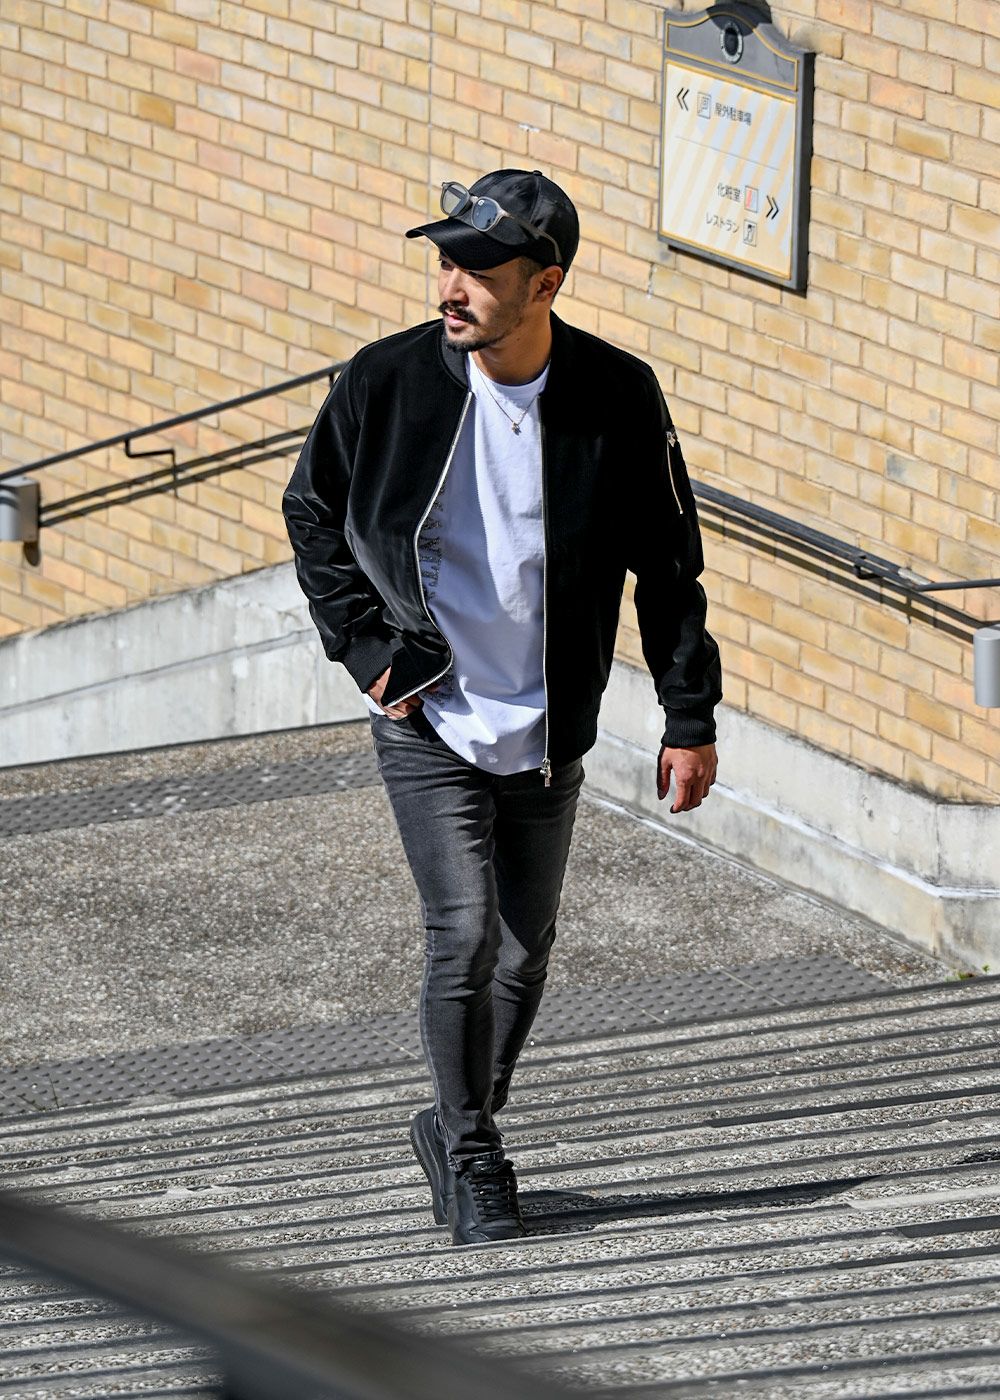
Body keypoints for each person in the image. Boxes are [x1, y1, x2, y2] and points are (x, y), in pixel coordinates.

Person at [282, 169, 722, 1247]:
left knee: (525, 953)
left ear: (545, 284)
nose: (452, 287)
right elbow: (312, 513)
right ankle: (476, 1154)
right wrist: (370, 652)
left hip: (546, 723)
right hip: (426, 711)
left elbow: (668, 566)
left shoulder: (616, 396)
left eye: (479, 271)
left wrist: (689, 714)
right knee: (465, 934)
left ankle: (452, 1118)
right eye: (446, 263)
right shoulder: (386, 381)